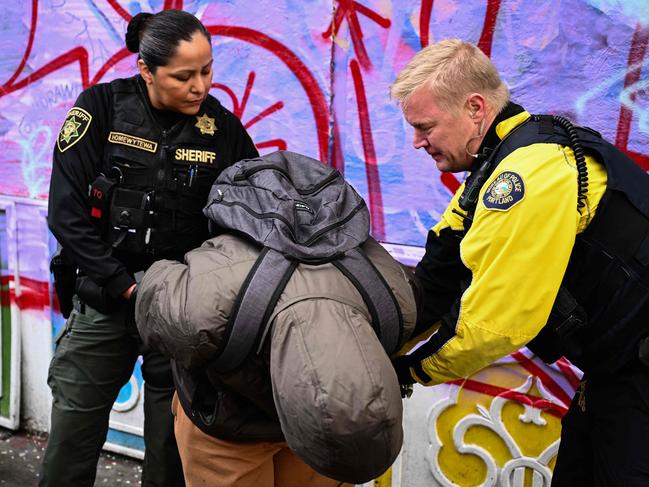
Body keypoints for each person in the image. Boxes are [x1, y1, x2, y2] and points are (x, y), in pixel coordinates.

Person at [389, 38, 649, 486]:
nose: (416, 142)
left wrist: (409, 370)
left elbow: (496, 320)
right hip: (617, 374)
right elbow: (440, 273)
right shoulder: (499, 162)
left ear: (474, 108)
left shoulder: (527, 174)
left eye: (425, 126)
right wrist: (380, 340)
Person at [41, 10, 258, 486]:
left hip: (181, 317)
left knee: (172, 449)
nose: (199, 86)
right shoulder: (100, 108)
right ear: (146, 69)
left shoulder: (223, 131)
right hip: (105, 302)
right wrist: (123, 287)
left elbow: (250, 220)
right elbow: (66, 215)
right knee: (72, 439)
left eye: (207, 70)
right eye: (183, 76)